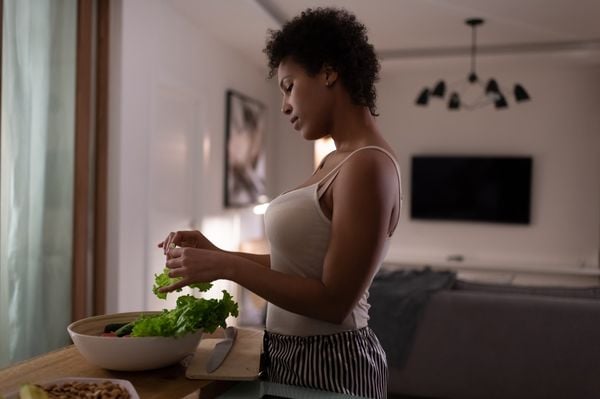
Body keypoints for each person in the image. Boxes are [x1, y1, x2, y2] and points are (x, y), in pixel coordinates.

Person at [158, 7, 401, 398]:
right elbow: (302, 269)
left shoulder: (368, 165)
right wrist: (216, 254)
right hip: (286, 353)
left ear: (328, 72)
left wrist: (227, 265)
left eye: (289, 86)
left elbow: (334, 302)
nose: (285, 104)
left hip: (330, 364)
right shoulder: (338, 161)